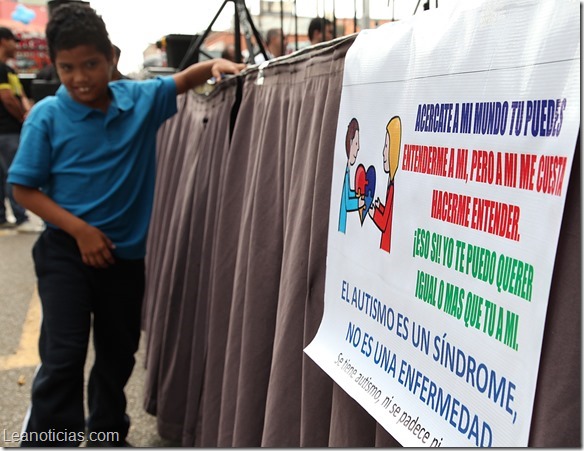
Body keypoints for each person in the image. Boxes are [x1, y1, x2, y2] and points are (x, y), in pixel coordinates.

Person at [8, 3, 245, 447]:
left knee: (118, 356)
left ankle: (106, 435)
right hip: (65, 253)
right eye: (67, 68)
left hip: (124, 259)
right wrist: (80, 231)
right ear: (53, 65)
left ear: (112, 56)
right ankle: (49, 440)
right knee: (63, 356)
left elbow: (184, 80)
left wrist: (214, 64)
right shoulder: (47, 117)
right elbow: (23, 189)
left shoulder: (140, 101)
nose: (80, 78)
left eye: (91, 64)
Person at [0, 26, 33, 230]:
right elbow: (6, 97)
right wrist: (23, 116)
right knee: (15, 173)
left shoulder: (8, 68)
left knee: (3, 176)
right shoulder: (2, 69)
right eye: (13, 41)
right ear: (3, 40)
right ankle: (21, 218)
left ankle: (2, 217)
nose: (15, 46)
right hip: (8, 131)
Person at [368, 116, 401, 253]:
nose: (383, 152)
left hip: (386, 248)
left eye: (387, 146)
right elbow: (387, 213)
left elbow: (384, 223)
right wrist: (379, 207)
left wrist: (373, 212)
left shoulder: (392, 188)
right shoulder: (391, 184)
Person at [338, 117, 364, 233]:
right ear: (350, 142)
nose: (358, 148)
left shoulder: (347, 171)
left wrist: (357, 194)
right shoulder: (346, 171)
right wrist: (358, 203)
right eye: (356, 143)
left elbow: (348, 193)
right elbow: (347, 202)